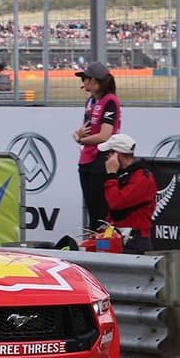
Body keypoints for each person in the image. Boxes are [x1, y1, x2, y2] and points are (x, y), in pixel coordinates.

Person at [71, 61, 120, 231]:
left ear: (93, 80)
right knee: (92, 210)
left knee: (100, 211)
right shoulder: (90, 102)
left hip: (102, 159)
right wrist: (78, 134)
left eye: (84, 79)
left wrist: (80, 139)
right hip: (86, 159)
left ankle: (103, 250)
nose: (82, 83)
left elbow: (105, 136)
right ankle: (94, 247)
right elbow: (85, 130)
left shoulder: (110, 101)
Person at [99, 133, 155, 254]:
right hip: (117, 235)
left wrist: (111, 175)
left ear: (116, 154)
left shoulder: (142, 178)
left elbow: (116, 202)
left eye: (108, 153)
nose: (106, 157)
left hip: (134, 240)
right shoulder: (124, 174)